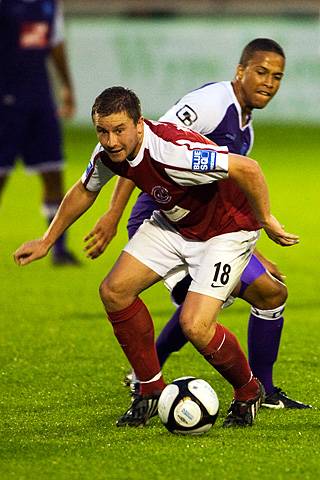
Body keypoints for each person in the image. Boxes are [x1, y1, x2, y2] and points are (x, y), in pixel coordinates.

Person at [14, 86, 299, 429]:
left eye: (119, 130)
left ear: (138, 124)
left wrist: (266, 220)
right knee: (114, 291)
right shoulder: (107, 153)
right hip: (173, 223)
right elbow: (85, 189)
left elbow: (247, 168)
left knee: (196, 325)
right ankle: (149, 389)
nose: (111, 140)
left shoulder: (173, 152)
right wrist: (48, 240)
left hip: (226, 232)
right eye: (102, 131)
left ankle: (248, 391)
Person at [88, 38, 311, 409]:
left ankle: (264, 391)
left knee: (270, 293)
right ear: (240, 71)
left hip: (211, 228)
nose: (268, 82)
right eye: (261, 72)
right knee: (201, 307)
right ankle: (146, 377)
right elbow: (140, 149)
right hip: (162, 218)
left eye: (277, 77)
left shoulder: (245, 127)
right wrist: (113, 213)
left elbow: (223, 196)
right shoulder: (211, 103)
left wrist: (249, 249)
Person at [0, 0, 78, 265]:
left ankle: (59, 249)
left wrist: (66, 87)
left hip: (40, 99)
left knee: (53, 170)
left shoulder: (49, 5)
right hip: (5, 101)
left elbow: (55, 44)